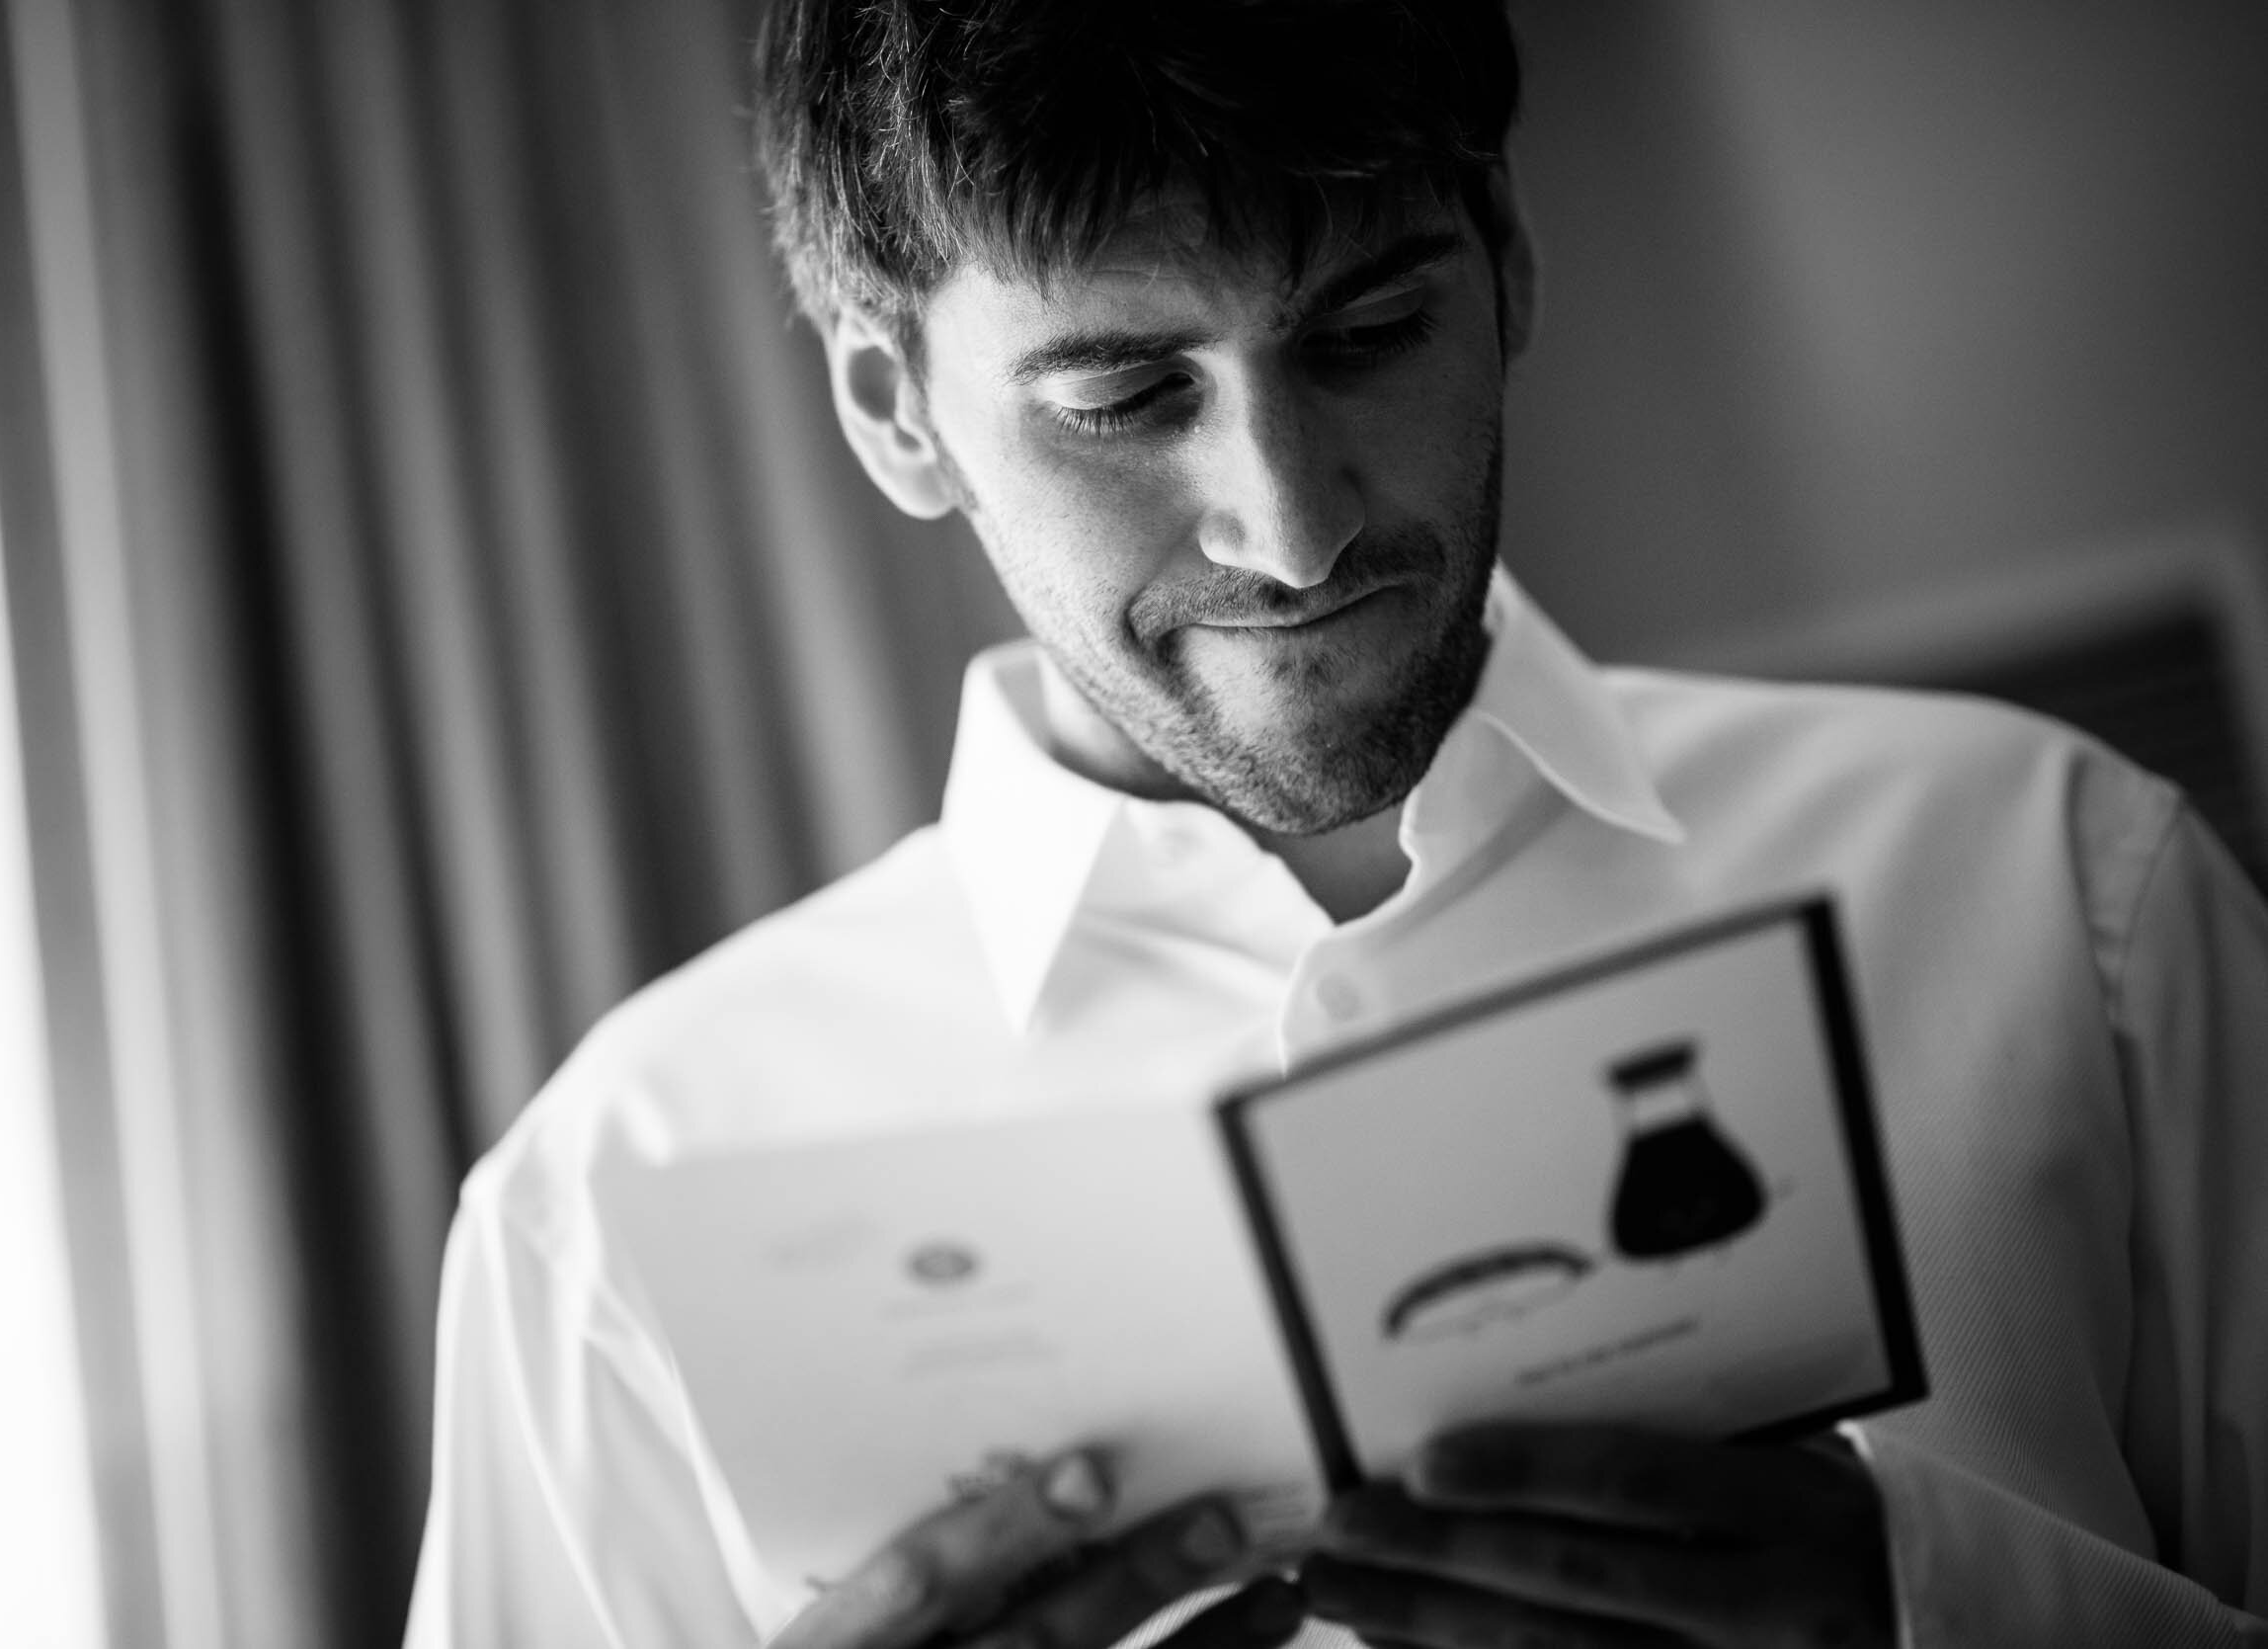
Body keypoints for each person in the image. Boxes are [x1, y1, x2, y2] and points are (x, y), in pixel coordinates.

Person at [403, 3, 2268, 1645]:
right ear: (899, 413)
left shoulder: (2061, 888)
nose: (1290, 530)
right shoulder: (610, 1208)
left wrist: (1944, 1612)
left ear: (1512, 265)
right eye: (1125, 396)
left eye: (1372, 330)